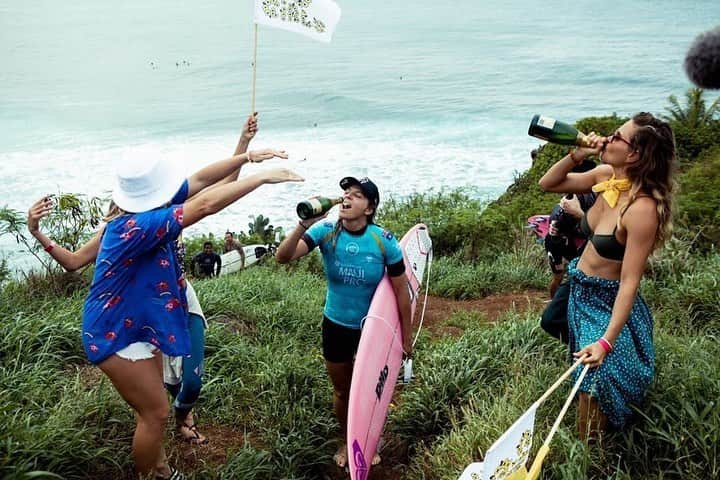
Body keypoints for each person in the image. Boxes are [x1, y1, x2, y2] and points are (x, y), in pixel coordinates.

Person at [39, 147, 299, 477]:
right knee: (156, 413)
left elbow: (203, 179)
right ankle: (154, 475)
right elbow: (205, 204)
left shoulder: (150, 207)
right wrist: (260, 178)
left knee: (150, 408)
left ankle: (160, 467)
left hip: (137, 323)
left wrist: (247, 158)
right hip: (114, 332)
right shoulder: (134, 226)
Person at [27, 115, 263, 448]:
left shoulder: (165, 203)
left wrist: (244, 146)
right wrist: (38, 232)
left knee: (191, 380)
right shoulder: (126, 228)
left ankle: (182, 418)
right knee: (161, 396)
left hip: (178, 295)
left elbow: (211, 185)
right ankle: (163, 441)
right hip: (145, 310)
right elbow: (75, 261)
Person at [538, 112, 676, 440]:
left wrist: (605, 340)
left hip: (605, 298)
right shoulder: (605, 177)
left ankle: (590, 453)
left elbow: (630, 281)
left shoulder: (641, 209)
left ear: (635, 155)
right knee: (550, 322)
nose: (608, 139)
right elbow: (548, 184)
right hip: (577, 284)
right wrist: (577, 153)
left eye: (617, 137)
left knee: (594, 378)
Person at [275, 176, 412, 468]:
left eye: (357, 195)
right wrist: (303, 224)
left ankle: (371, 436)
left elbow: (401, 292)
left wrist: (406, 337)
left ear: (369, 207)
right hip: (335, 325)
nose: (347, 198)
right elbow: (283, 257)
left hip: (372, 329)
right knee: (342, 390)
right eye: (345, 193)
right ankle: (347, 438)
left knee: (371, 387)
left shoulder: (382, 241)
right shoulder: (325, 231)